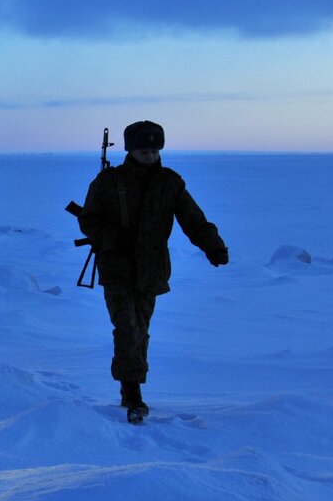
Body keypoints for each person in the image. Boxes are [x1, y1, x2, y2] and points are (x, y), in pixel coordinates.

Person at [78, 121, 228, 422]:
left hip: (152, 270)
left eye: (154, 150)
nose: (149, 155)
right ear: (130, 150)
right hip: (117, 268)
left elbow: (193, 219)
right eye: (143, 150)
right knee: (127, 327)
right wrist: (115, 238)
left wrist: (213, 246)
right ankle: (133, 393)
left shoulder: (169, 182)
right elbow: (89, 220)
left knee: (140, 329)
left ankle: (129, 385)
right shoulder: (109, 181)